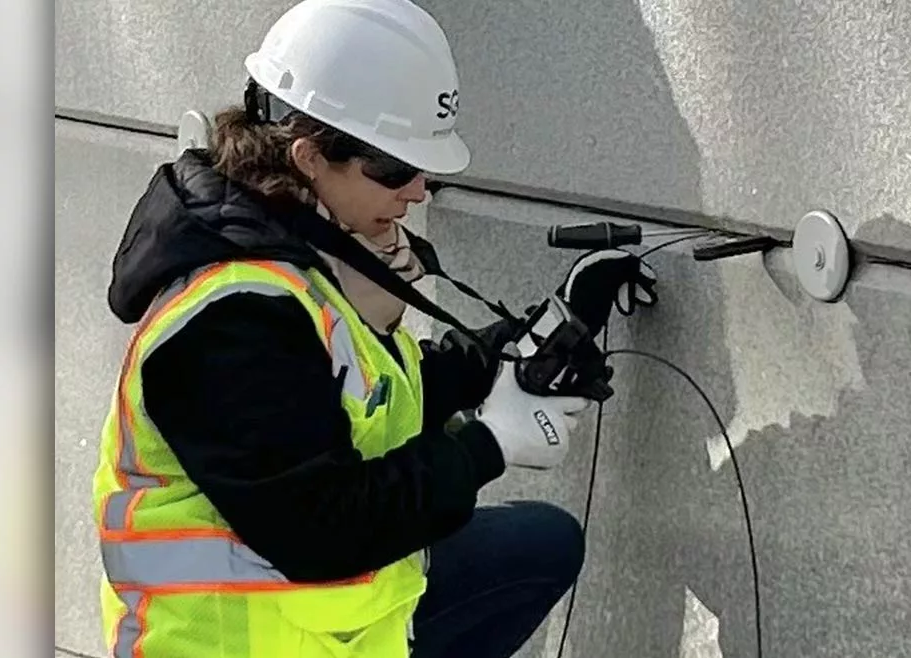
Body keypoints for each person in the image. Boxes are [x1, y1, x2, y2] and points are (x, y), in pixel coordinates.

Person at [89, 1, 657, 656]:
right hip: (239, 642)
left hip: (336, 625)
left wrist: (531, 340)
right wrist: (489, 446)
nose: (418, 190)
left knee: (539, 545)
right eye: (395, 167)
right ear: (307, 156)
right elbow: (321, 529)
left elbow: (376, 394)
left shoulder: (291, 256)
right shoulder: (231, 321)